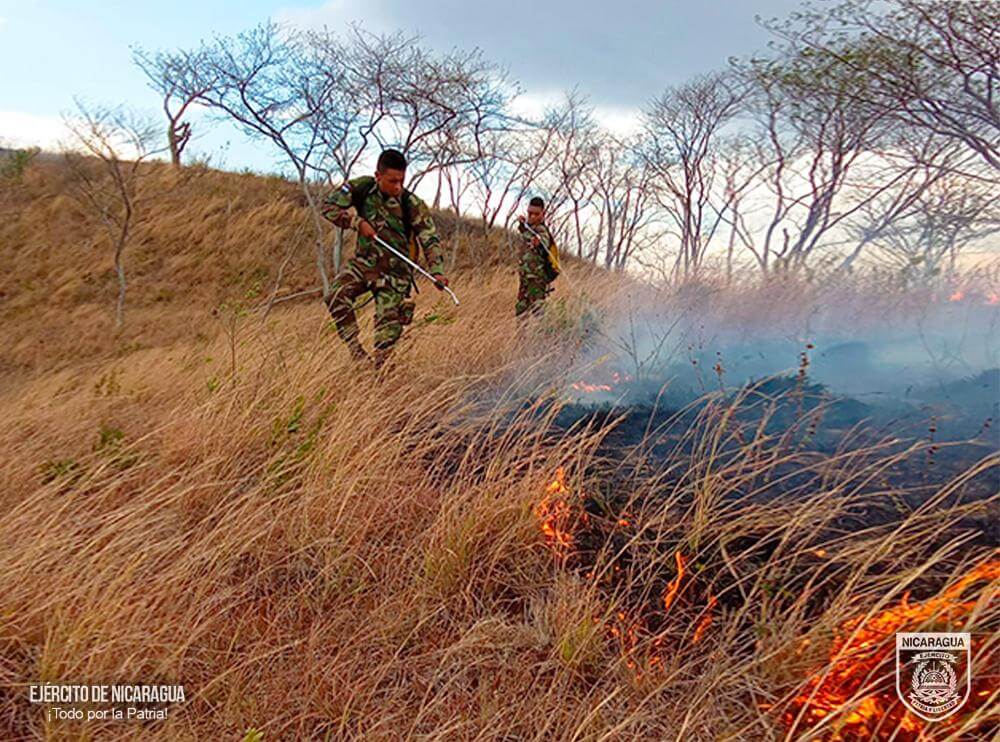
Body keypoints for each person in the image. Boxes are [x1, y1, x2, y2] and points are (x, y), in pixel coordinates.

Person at [321, 148, 449, 368]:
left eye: (401, 181)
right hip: (365, 265)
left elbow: (429, 238)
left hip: (395, 277)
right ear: (378, 176)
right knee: (335, 295)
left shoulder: (412, 204)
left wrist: (437, 270)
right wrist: (356, 223)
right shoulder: (361, 188)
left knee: (385, 346)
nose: (397, 186)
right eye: (392, 181)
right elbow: (328, 206)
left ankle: (381, 383)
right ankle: (357, 353)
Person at [515, 197, 559, 316]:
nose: (533, 216)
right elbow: (525, 233)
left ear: (543, 214)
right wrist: (522, 224)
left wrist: (538, 242)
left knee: (537, 313)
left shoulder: (542, 230)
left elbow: (543, 240)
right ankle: (521, 335)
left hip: (537, 280)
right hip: (525, 279)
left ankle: (541, 334)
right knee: (521, 311)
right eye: (530, 213)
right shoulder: (530, 228)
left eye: (536, 214)